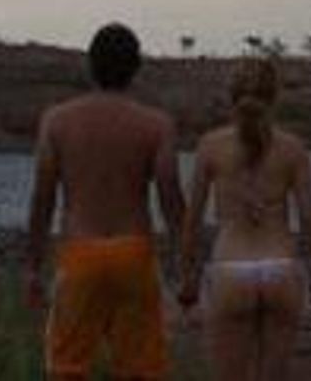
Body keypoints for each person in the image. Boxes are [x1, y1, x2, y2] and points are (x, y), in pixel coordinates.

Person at [26, 23, 186, 380]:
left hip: (80, 251)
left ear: (90, 66)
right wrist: (186, 264)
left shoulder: (57, 121)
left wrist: (33, 268)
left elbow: (42, 200)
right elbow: (172, 200)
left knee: (67, 368)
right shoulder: (156, 125)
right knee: (141, 369)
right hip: (134, 252)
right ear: (136, 68)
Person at [179, 57, 311, 381]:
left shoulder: (210, 146)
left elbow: (191, 220)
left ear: (231, 97)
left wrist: (188, 277)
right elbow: (310, 219)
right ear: (275, 97)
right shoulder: (293, 149)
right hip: (281, 268)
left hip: (230, 270)